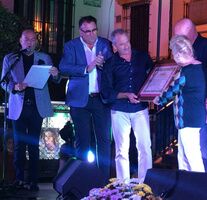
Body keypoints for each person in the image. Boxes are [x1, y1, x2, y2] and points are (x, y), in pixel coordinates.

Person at [1, 28, 60, 191]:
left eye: (33, 39)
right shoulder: (11, 58)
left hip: (36, 106)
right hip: (18, 106)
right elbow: (3, 82)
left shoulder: (44, 58)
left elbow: (55, 80)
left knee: (34, 145)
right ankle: (19, 179)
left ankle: (33, 181)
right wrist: (14, 86)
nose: (30, 42)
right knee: (19, 144)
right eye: (26, 39)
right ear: (20, 40)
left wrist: (55, 74)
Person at [59, 15, 112, 186]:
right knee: (83, 142)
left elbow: (113, 66)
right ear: (80, 31)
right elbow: (63, 67)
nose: (91, 34)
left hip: (100, 99)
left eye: (94, 30)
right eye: (87, 31)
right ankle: (83, 182)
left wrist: (104, 65)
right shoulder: (71, 46)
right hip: (79, 100)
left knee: (104, 141)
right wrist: (86, 68)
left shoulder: (105, 44)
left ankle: (103, 183)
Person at [174, 18, 207, 173]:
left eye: (179, 36)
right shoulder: (182, 49)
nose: (177, 40)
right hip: (187, 111)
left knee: (204, 153)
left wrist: (195, 72)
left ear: (190, 33)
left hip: (204, 108)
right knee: (185, 156)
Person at [101, 29, 153, 182]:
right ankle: (123, 184)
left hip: (140, 108)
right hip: (119, 109)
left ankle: (145, 183)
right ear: (114, 46)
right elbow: (106, 91)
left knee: (145, 147)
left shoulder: (142, 57)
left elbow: (154, 75)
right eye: (122, 44)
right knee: (121, 150)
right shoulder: (110, 64)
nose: (126, 46)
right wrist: (126, 95)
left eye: (127, 42)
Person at [153, 35, 207, 172]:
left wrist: (159, 99)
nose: (173, 57)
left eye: (173, 53)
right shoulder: (201, 67)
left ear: (179, 54)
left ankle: (200, 189)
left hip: (187, 119)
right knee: (187, 155)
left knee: (190, 157)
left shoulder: (185, 71)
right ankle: (190, 187)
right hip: (197, 117)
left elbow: (173, 90)